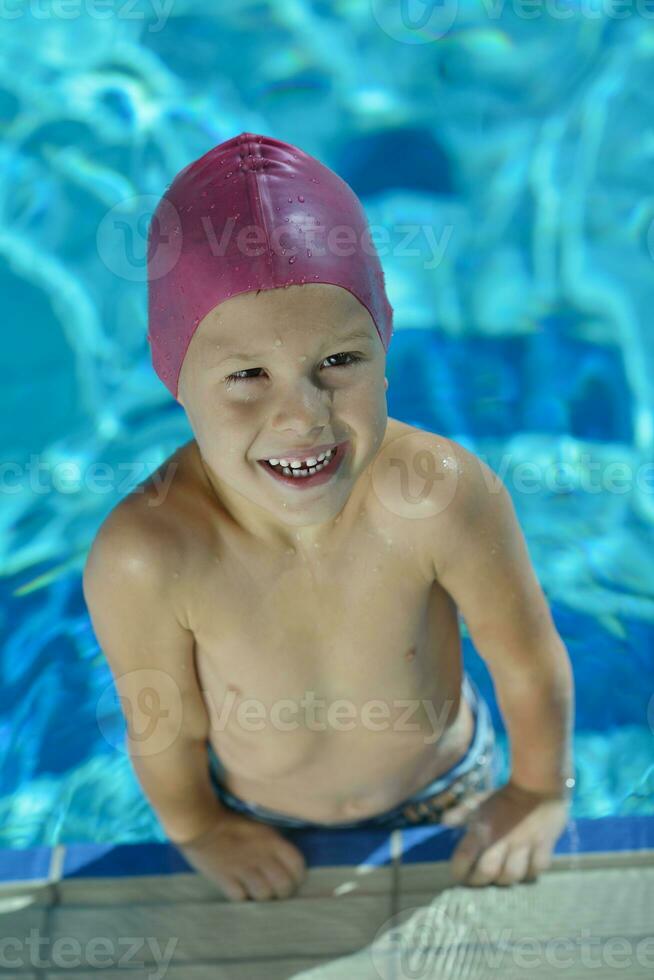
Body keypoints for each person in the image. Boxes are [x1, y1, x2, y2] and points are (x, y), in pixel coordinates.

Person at [83, 132, 575, 903]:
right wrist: (201, 830)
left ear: (385, 340)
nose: (302, 417)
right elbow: (163, 725)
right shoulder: (149, 553)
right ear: (173, 375)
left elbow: (526, 659)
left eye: (338, 364)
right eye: (247, 376)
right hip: (259, 811)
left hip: (448, 780)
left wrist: (540, 790)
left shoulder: (441, 495)